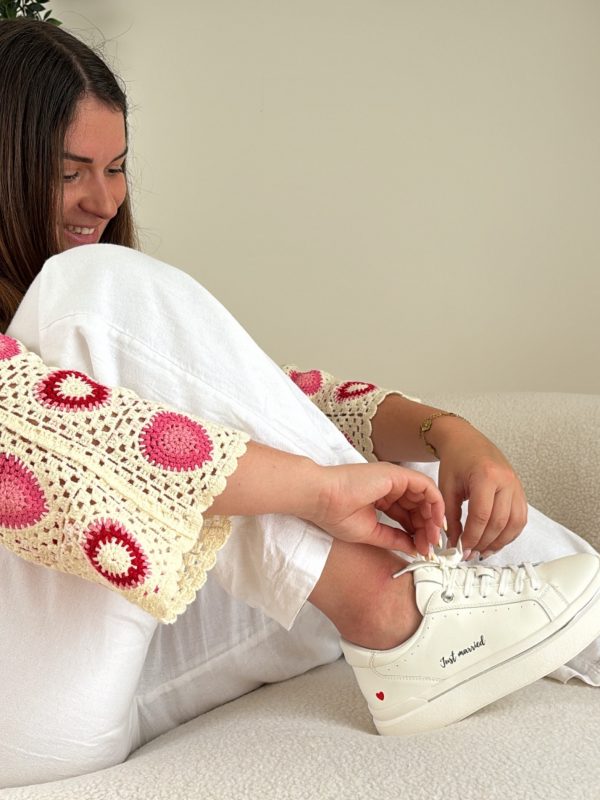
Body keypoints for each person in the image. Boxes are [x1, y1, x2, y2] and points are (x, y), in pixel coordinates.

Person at [0, 18, 599, 788]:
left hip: (110, 666)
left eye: (116, 168)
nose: (103, 200)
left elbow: (271, 398)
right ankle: (392, 613)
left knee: (227, 437)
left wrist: (445, 431)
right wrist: (319, 492)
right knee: (93, 290)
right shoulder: (77, 301)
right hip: (18, 704)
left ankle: (512, 620)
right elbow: (30, 419)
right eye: (69, 171)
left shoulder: (85, 316)